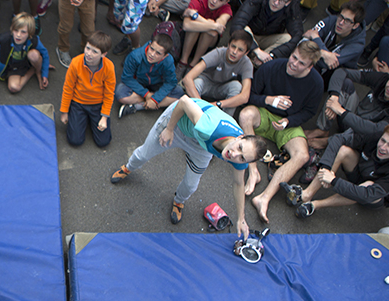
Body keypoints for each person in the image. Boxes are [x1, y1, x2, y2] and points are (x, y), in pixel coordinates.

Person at [110, 95, 272, 236]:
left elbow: (238, 183)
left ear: (246, 163)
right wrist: (169, 128)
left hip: (200, 145)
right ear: (240, 137)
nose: (234, 155)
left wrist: (241, 219)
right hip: (179, 123)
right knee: (144, 153)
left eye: (242, 158)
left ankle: (179, 201)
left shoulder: (238, 159)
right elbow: (184, 101)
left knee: (191, 184)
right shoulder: (210, 127)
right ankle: (128, 168)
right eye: (240, 148)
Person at [238, 40, 324, 222]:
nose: (294, 63)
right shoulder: (272, 67)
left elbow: (309, 111)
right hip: (264, 114)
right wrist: (268, 100)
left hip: (288, 123)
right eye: (294, 57)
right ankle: (253, 171)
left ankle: (264, 198)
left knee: (302, 155)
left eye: (301, 63)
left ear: (310, 66)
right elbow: (249, 96)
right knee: (246, 115)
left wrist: (288, 121)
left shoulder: (316, 83)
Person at [282, 121, 389, 217]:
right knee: (344, 151)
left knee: (366, 187)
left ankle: (315, 205)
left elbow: (368, 195)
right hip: (363, 171)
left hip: (377, 195)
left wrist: (334, 181)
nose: (383, 147)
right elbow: (339, 139)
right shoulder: (377, 134)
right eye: (383, 141)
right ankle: (307, 194)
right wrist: (326, 167)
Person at [303, 60, 389, 152]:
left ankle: (329, 141)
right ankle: (322, 129)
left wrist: (340, 111)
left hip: (364, 136)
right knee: (344, 84)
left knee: (370, 132)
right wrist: (334, 97)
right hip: (354, 116)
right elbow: (341, 72)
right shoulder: (383, 79)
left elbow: (376, 130)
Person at [273, 2, 367, 74]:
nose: (341, 22)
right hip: (318, 60)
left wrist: (315, 36)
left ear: (355, 26)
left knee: (310, 66)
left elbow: (327, 64)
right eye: (341, 17)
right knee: (298, 53)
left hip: (337, 73)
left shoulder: (357, 45)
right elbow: (304, 41)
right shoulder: (332, 20)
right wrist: (324, 53)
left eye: (347, 21)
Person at [60, 31, 117, 146]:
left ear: (103, 54)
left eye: (95, 51)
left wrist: (104, 116)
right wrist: (64, 111)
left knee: (103, 142)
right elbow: (68, 88)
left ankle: (88, 121)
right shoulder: (76, 63)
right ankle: (82, 119)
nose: (88, 53)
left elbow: (109, 93)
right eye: (87, 48)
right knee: (75, 141)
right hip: (78, 103)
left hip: (97, 104)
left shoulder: (109, 67)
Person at [230, 0, 305, 63]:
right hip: (250, 36)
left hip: (267, 39)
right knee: (244, 28)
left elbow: (297, 36)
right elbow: (237, 23)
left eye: (281, 0)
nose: (276, 3)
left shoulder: (292, 9)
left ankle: (259, 60)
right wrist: (256, 50)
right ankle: (252, 56)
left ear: (287, 3)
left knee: (287, 38)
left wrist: (272, 55)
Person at [182, 30, 255, 111]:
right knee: (197, 83)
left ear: (246, 52)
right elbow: (188, 78)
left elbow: (245, 97)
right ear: (228, 44)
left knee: (236, 86)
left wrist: (218, 104)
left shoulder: (247, 63)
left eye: (240, 50)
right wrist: (202, 106)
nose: (234, 52)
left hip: (222, 89)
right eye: (233, 46)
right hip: (206, 83)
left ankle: (224, 120)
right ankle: (190, 116)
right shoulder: (218, 53)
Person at [179, 0, 236, 72]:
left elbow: (217, 29)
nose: (214, 1)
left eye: (220, 0)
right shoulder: (198, 0)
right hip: (189, 38)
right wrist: (213, 25)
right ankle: (183, 62)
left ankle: (193, 64)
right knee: (199, 27)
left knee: (211, 31)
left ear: (226, 2)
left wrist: (196, 16)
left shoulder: (227, 10)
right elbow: (186, 25)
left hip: (207, 42)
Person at [116, 35, 179, 116]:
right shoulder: (135, 56)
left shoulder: (168, 60)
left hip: (157, 84)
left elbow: (171, 82)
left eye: (158, 53)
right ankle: (152, 102)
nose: (152, 54)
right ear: (149, 44)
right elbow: (127, 78)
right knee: (120, 93)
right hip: (138, 83)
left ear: (165, 56)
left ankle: (137, 106)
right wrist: (146, 94)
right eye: (152, 49)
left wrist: (155, 99)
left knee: (180, 93)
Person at [0, 12, 51, 92]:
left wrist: (44, 74)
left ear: (30, 33)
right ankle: (33, 70)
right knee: (13, 87)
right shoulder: (3, 39)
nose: (18, 35)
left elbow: (45, 53)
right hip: (14, 66)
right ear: (12, 29)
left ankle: (38, 72)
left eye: (23, 32)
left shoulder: (33, 40)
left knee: (34, 55)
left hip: (28, 60)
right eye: (16, 30)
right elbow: (0, 52)